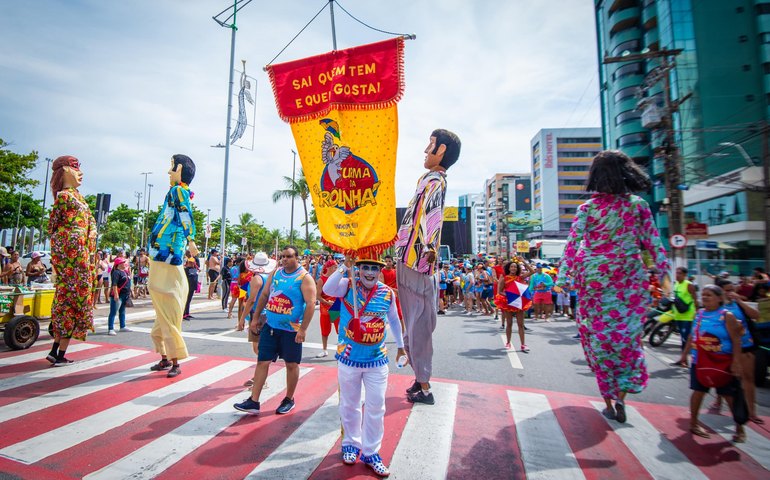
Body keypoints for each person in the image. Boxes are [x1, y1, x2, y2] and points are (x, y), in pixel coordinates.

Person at [556, 150, 669, 423]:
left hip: (593, 281)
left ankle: (608, 400)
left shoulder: (588, 208)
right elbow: (654, 243)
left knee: (597, 341)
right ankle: (621, 396)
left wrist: (562, 279)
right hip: (629, 280)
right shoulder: (638, 205)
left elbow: (572, 244)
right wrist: (667, 279)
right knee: (627, 339)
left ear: (595, 175)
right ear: (628, 172)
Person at [395, 128, 461, 406]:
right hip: (410, 257)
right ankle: (419, 377)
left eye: (430, 144)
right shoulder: (428, 179)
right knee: (413, 323)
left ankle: (424, 386)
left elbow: (433, 215)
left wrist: (429, 249)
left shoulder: (435, 180)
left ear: (441, 150)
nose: (425, 150)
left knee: (419, 324)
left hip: (417, 261)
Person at [323, 256, 406, 477]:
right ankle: (351, 444)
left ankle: (371, 452)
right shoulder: (347, 285)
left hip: (377, 360)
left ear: (380, 271)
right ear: (358, 269)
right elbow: (327, 289)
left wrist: (401, 346)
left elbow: (394, 320)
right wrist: (345, 266)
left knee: (376, 406)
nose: (369, 272)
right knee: (350, 404)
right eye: (365, 268)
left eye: (374, 268)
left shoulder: (387, 293)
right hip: (348, 358)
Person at [234, 246, 316, 415]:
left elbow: (310, 304)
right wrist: (255, 318)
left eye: (289, 256)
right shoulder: (276, 273)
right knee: (262, 361)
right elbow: (264, 296)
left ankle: (288, 399)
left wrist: (303, 329)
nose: (285, 259)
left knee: (291, 364)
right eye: (283, 256)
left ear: (297, 258)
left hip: (291, 330)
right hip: (270, 326)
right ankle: (254, 401)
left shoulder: (304, 277)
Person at [147, 154, 198, 379]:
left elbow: (185, 213)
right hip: (163, 254)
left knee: (167, 307)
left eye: (172, 168)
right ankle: (165, 358)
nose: (168, 172)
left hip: (167, 255)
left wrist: (191, 240)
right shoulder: (175, 191)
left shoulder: (178, 190)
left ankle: (175, 361)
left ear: (180, 171)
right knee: (163, 311)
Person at [46, 155, 98, 366]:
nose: (80, 173)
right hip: (72, 260)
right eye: (76, 168)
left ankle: (57, 351)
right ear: (65, 170)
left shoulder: (78, 198)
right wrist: (74, 239)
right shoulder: (65, 197)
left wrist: (90, 233)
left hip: (81, 257)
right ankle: (58, 353)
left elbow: (90, 222)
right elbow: (53, 227)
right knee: (71, 303)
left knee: (71, 303)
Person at [678, 285, 746, 442]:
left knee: (728, 395)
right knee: (698, 391)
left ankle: (739, 428)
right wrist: (684, 355)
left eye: (709, 295)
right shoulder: (699, 314)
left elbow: (736, 340)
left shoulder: (726, 315)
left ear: (720, 298)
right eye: (704, 294)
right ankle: (693, 423)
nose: (705, 297)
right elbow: (692, 336)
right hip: (700, 361)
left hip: (722, 362)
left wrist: (736, 362)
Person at [717, 279, 763, 424]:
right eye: (727, 290)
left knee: (748, 378)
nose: (730, 293)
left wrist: (740, 301)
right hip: (724, 348)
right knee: (723, 378)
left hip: (745, 345)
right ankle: (719, 399)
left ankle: (751, 412)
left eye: (732, 289)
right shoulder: (716, 307)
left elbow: (756, 315)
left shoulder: (738, 304)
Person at [238, 252, 277, 388]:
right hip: (267, 313)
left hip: (258, 314)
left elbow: (252, 300)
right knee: (260, 347)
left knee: (258, 348)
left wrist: (242, 319)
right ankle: (259, 377)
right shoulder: (269, 277)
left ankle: (261, 379)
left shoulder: (257, 279)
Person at [496, 259, 535, 351]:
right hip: (509, 303)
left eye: (515, 267)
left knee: (520, 324)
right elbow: (500, 291)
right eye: (511, 267)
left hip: (519, 302)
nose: (513, 268)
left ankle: (523, 344)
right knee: (509, 324)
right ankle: (508, 343)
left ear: (517, 269)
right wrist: (508, 295)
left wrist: (523, 261)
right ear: (509, 268)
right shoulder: (504, 279)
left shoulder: (520, 277)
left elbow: (532, 271)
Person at [671, 267, 697, 357]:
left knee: (686, 338)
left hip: (688, 316)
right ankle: (684, 358)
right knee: (682, 337)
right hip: (678, 315)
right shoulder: (676, 284)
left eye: (680, 273)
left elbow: (695, 299)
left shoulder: (689, 285)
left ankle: (685, 358)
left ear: (685, 275)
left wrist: (697, 313)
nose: (677, 275)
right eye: (676, 273)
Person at [316, 258, 339, 358]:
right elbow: (317, 296)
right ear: (329, 268)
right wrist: (326, 302)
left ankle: (341, 350)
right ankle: (324, 350)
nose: (336, 269)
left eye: (337, 267)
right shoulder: (321, 280)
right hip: (325, 308)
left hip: (336, 306)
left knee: (340, 330)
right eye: (334, 267)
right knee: (325, 330)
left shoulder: (338, 279)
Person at [107, 257, 132, 335]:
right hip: (119, 295)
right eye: (123, 262)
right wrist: (116, 294)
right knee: (113, 312)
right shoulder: (116, 272)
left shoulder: (125, 271)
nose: (125, 264)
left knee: (122, 311)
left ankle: (122, 326)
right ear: (119, 264)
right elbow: (114, 284)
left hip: (125, 295)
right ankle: (111, 328)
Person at [182, 250, 199, 320]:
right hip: (187, 287)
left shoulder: (194, 269)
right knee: (186, 300)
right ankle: (184, 314)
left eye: (193, 262)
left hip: (192, 287)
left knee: (189, 300)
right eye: (190, 262)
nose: (192, 263)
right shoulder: (186, 270)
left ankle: (187, 313)